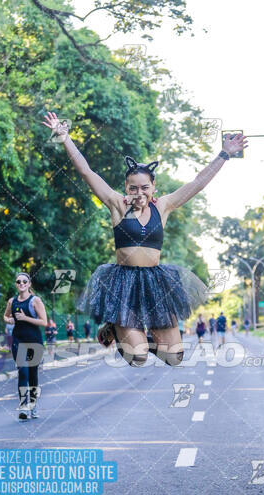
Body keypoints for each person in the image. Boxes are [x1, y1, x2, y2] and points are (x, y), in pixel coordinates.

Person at [43, 111, 247, 367]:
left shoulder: (163, 206)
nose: (138, 192)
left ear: (154, 188)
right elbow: (86, 171)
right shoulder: (117, 204)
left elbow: (198, 182)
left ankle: (141, 335)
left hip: (156, 283)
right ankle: (117, 330)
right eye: (133, 187)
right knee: (137, 358)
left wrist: (225, 154)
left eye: (144, 187)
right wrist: (65, 138)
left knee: (174, 357)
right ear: (126, 188)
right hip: (123, 283)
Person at [3, 272, 47, 420]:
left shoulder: (35, 301)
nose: (21, 284)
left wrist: (25, 318)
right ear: (16, 284)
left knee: (33, 374)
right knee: (23, 372)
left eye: (24, 281)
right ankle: (23, 407)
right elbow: (5, 316)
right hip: (18, 340)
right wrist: (9, 320)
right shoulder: (12, 301)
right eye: (18, 281)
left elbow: (44, 322)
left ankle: (33, 406)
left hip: (34, 341)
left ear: (29, 284)